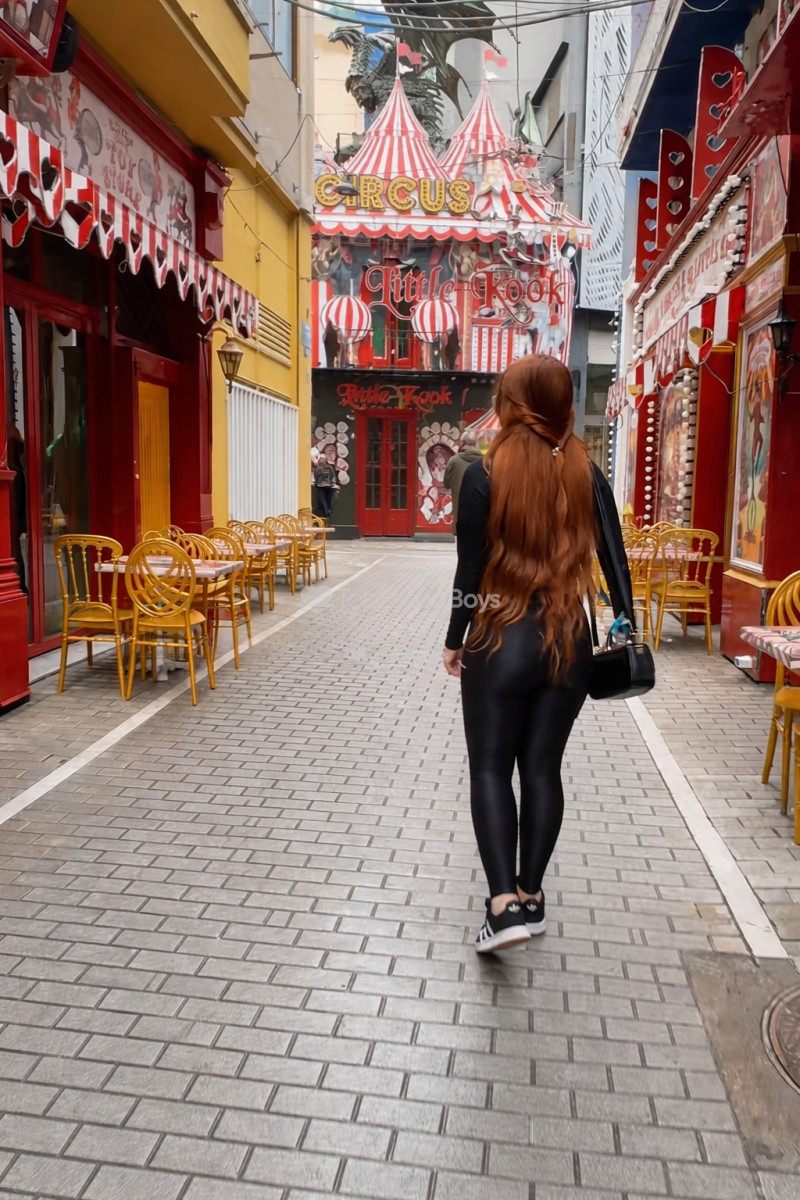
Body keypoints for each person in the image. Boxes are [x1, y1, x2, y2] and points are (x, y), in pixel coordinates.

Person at [442, 355, 632, 953]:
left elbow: (469, 570)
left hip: (500, 637)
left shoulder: (485, 473)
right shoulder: (586, 472)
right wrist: (625, 625)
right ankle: (531, 896)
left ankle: (502, 910)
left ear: (512, 402)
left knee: (491, 769)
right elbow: (616, 561)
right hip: (569, 643)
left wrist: (455, 636)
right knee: (543, 770)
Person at [443, 430, 482, 525]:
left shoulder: (453, 461)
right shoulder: (485, 461)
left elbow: (446, 483)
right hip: (480, 513)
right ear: (476, 443)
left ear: (462, 443)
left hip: (460, 513)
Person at [313, 449, 339, 520]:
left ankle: (326, 511)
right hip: (328, 485)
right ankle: (328, 511)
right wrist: (332, 483)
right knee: (328, 500)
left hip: (320, 485)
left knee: (323, 499)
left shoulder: (318, 468)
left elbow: (316, 476)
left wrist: (316, 482)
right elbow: (333, 475)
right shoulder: (329, 467)